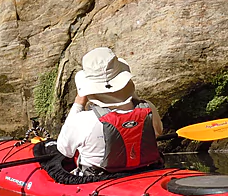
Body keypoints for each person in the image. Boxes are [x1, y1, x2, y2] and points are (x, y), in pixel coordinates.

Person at [56, 47, 164, 176]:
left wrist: (78, 104)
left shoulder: (82, 121)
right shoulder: (148, 109)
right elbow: (157, 132)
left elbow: (65, 150)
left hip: (97, 181)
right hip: (145, 173)